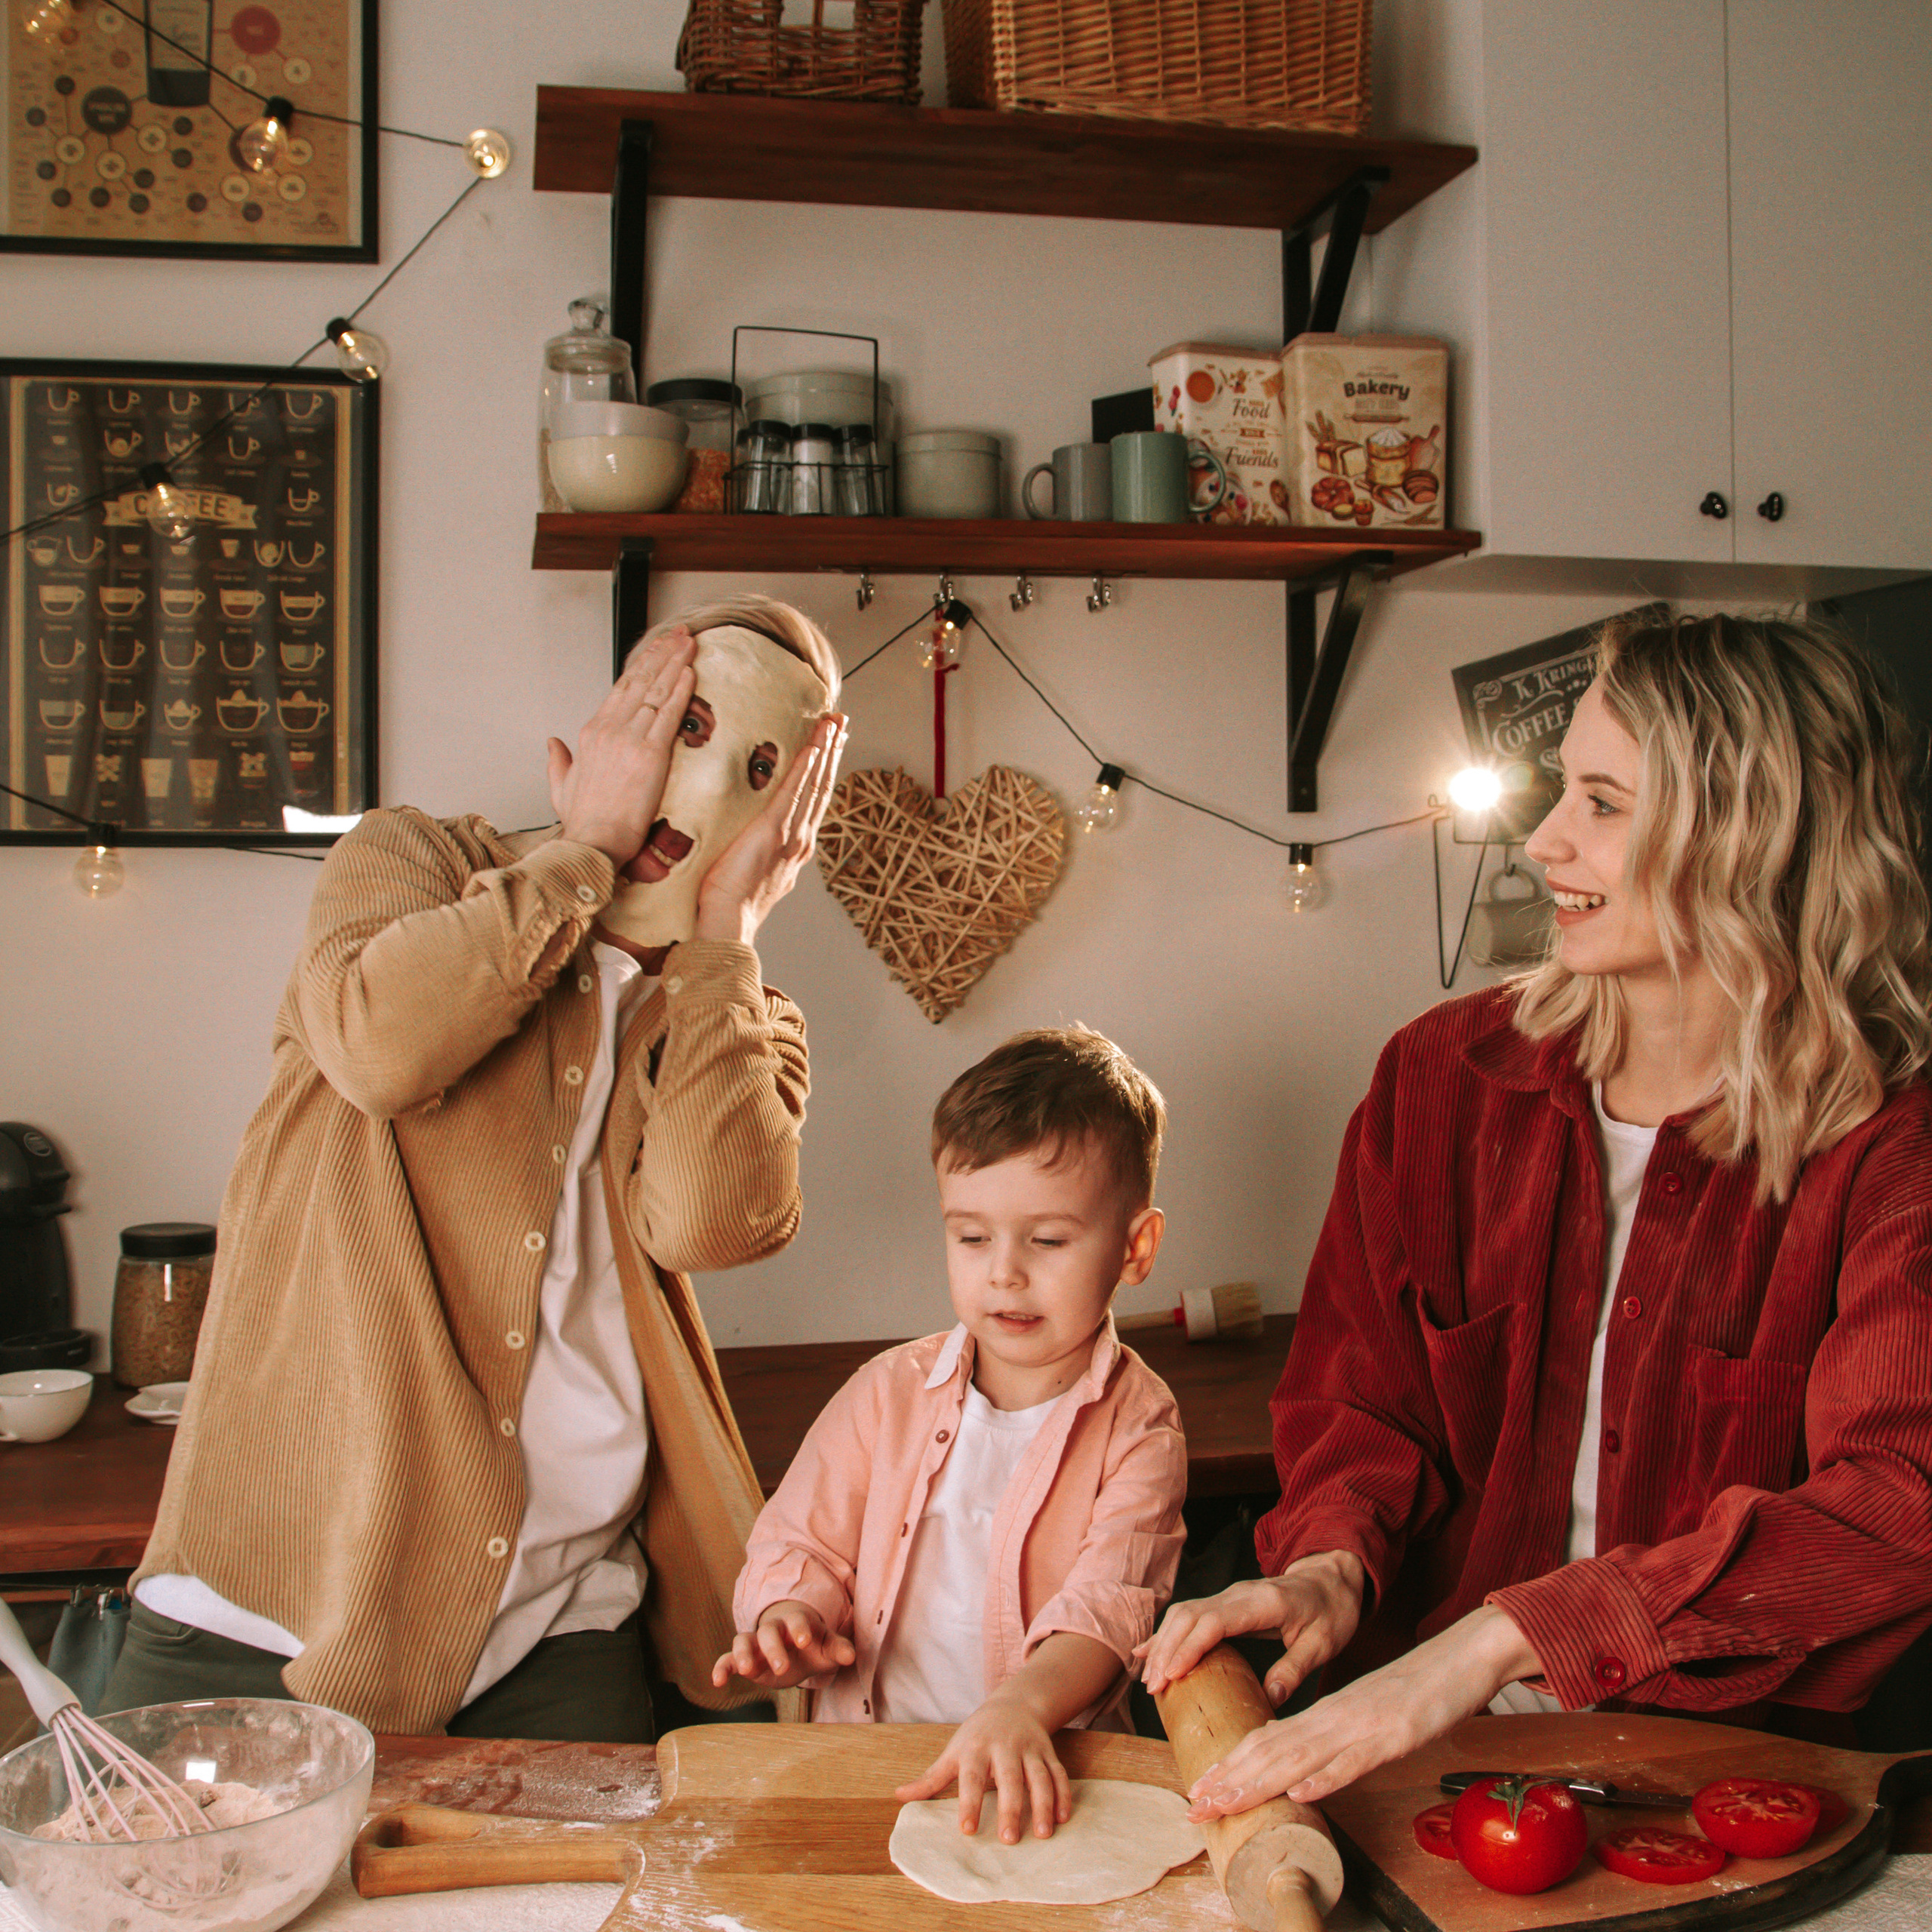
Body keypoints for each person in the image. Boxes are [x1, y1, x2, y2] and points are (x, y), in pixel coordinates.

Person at [1142, 610, 1932, 1820]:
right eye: (1562, 789)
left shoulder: (1894, 1149)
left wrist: (1502, 1639)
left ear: (1753, 840)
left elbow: (1896, 1504)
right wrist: (1330, 1566)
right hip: (1423, 1753)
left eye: (1605, 805)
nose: (1544, 840)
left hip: (1735, 1780)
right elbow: (1363, 1401)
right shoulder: (1442, 1079)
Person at [104, 595, 848, 1741]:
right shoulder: (409, 862)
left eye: (760, 768)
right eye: (682, 728)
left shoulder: (737, 1014)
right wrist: (581, 855)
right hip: (264, 1611)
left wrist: (724, 946)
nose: (701, 791)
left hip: (555, 1622)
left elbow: (710, 1225)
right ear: (613, 729)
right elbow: (378, 1047)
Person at [712, 1026, 1188, 1845]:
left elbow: (1107, 1609)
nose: (1003, 1271)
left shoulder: (1141, 1426)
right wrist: (790, 1617)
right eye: (971, 1236)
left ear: (1134, 1247)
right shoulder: (884, 1393)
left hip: (1046, 1782)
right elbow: (804, 1543)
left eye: (1046, 1240)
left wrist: (1017, 1708)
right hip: (868, 1767)